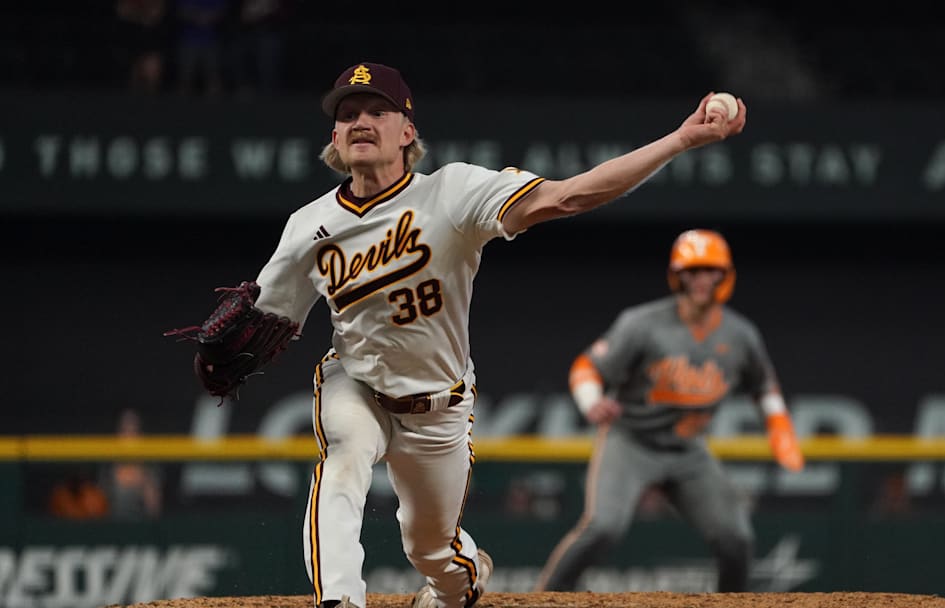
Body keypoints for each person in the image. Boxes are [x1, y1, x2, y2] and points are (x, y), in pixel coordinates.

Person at [193, 61, 747, 608]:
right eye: (347, 113)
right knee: (344, 457)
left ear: (408, 131)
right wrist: (236, 345)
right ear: (334, 137)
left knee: (432, 551)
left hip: (439, 408)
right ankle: (340, 601)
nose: (360, 120)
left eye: (377, 110)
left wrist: (678, 139)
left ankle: (464, 575)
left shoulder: (452, 193)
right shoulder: (307, 227)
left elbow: (568, 196)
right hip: (355, 385)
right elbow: (267, 318)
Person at [533, 228, 804, 593]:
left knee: (735, 537)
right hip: (632, 442)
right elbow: (586, 366)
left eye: (710, 271)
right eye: (692, 271)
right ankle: (542, 599)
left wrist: (778, 424)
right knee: (603, 527)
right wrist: (590, 400)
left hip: (688, 450)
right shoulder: (642, 324)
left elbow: (763, 385)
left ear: (725, 275)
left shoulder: (741, 335)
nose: (701, 280)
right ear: (677, 275)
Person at [101, 408, 163, 520]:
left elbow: (154, 509)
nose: (129, 437)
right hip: (113, 526)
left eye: (133, 431)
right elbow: (99, 507)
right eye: (125, 431)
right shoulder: (109, 465)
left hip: (141, 526)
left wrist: (144, 483)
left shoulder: (149, 465)